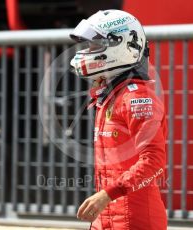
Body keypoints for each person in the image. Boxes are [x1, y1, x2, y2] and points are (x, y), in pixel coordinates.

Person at [69, 9, 167, 230]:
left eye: (95, 46)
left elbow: (154, 160)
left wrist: (107, 194)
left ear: (121, 46)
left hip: (136, 220)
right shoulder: (110, 96)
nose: (88, 52)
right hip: (106, 218)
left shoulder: (137, 98)